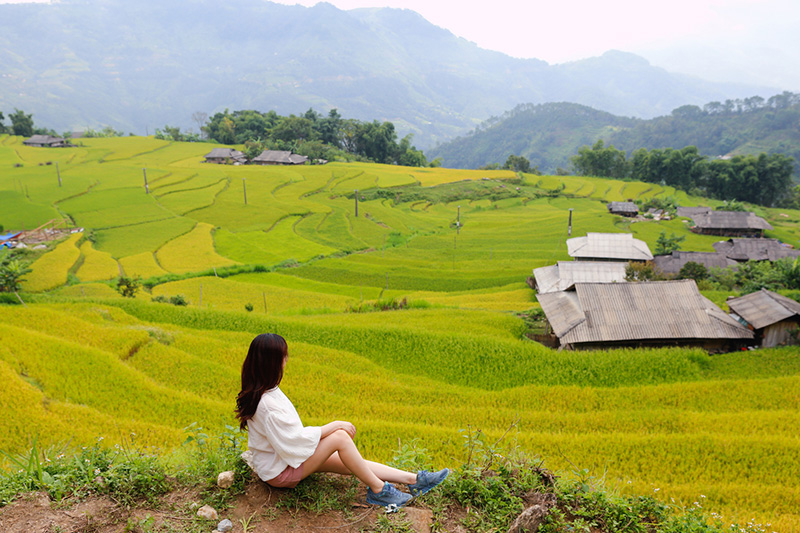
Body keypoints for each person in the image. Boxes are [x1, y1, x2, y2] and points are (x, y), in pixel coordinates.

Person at [235, 333, 449, 508]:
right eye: (283, 355)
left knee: (352, 461)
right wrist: (334, 425)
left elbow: (291, 439)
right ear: (272, 362)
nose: (286, 359)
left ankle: (415, 480)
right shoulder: (268, 404)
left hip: (285, 460)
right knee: (340, 438)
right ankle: (378, 491)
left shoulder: (265, 390)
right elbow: (294, 441)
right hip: (280, 472)